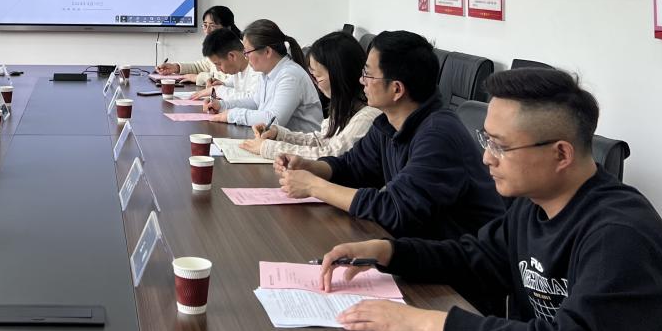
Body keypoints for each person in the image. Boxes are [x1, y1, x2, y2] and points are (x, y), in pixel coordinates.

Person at [319, 68, 662, 331]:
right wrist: (389, 251)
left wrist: (426, 323)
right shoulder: (532, 206)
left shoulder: (619, 236)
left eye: (501, 145)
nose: (486, 158)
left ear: (561, 154)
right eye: (486, 140)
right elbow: (475, 257)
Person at [276, 29, 502, 241]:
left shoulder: (438, 135)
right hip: (420, 248)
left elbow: (395, 209)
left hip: (461, 260)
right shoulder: (388, 123)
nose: (361, 81)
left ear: (396, 89)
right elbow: (352, 167)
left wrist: (314, 187)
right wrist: (311, 167)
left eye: (368, 74)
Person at [240, 29, 380, 160]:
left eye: (317, 77)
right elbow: (322, 140)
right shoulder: (343, 107)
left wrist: (269, 148)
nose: (316, 84)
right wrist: (280, 134)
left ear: (338, 76)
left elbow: (331, 155)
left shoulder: (367, 117)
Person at [201, 20, 323, 131]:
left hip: (301, 146)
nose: (245, 57)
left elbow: (274, 120)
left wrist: (232, 115)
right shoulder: (266, 73)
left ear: (267, 51)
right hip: (278, 142)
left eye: (247, 52)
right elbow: (255, 102)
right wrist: (222, 105)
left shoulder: (290, 75)